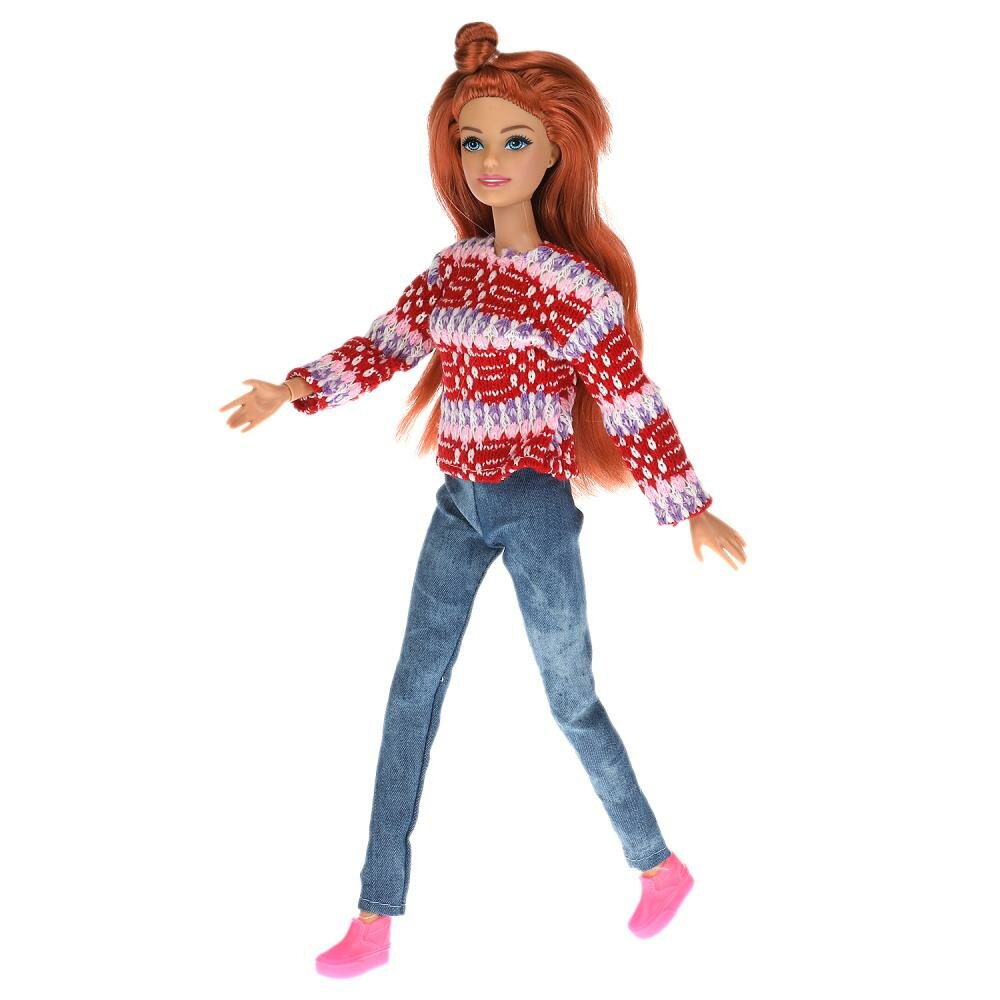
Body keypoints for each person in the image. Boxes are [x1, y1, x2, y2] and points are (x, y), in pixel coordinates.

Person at [220, 21, 747, 979]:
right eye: (473, 141)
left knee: (570, 697)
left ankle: (658, 865)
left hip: (534, 503)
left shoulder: (576, 291)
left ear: (554, 154)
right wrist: (294, 389)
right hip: (458, 502)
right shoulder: (452, 270)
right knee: (410, 694)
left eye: (514, 141)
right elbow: (384, 346)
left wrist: (687, 505)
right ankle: (375, 915)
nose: (490, 161)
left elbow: (630, 399)